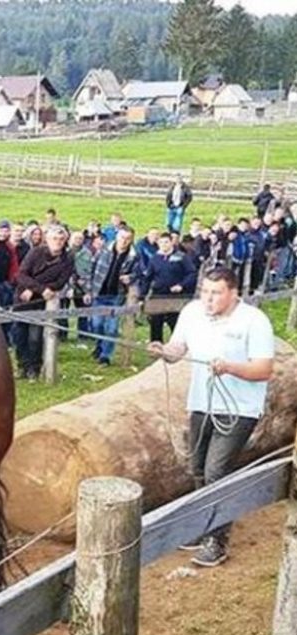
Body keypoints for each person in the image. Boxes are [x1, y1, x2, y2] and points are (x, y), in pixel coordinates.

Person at [149, 266, 275, 567]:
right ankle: (200, 524)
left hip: (239, 408)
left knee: (216, 471)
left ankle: (217, 540)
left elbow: (263, 369)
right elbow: (179, 348)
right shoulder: (192, 312)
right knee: (197, 468)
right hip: (202, 402)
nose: (208, 299)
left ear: (233, 293)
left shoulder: (254, 321)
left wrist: (230, 367)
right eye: (205, 291)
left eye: (216, 293)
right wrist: (164, 351)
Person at [14, 225, 74, 380]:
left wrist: (35, 289)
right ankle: (22, 366)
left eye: (61, 239)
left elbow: (60, 282)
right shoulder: (36, 252)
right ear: (47, 239)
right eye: (55, 238)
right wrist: (39, 288)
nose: (58, 242)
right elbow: (21, 274)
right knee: (19, 334)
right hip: (23, 299)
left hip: (42, 302)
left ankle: (34, 367)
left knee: (35, 337)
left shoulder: (67, 259)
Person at [85, 226, 136, 366]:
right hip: (98, 293)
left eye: (127, 239)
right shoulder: (104, 250)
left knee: (112, 329)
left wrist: (130, 277)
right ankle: (99, 345)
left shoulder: (133, 256)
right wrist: (88, 291)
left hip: (116, 296)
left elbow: (139, 273)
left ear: (131, 240)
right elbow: (91, 269)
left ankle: (105, 356)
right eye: (121, 237)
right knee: (96, 325)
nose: (124, 241)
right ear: (116, 237)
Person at [140, 232, 197, 343]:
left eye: (166, 242)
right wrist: (142, 297)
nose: (164, 245)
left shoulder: (181, 257)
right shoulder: (155, 258)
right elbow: (147, 278)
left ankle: (177, 346)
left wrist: (181, 285)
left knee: (174, 322)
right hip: (158, 295)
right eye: (161, 242)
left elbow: (192, 273)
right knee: (155, 322)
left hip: (175, 295)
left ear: (172, 242)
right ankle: (156, 347)